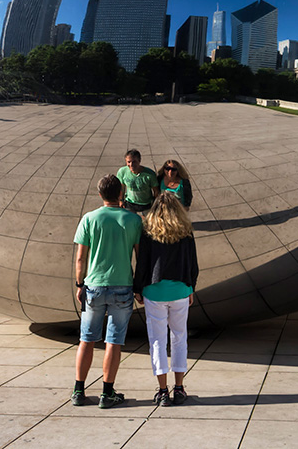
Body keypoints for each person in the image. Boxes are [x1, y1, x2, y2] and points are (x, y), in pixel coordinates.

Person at [72, 173, 144, 409]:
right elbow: (139, 257)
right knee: (114, 342)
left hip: (94, 286)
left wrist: (79, 284)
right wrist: (139, 287)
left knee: (87, 339)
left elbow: (81, 257)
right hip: (122, 286)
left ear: (100, 194)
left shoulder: (89, 218)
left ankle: (78, 390)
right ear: (121, 193)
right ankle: (107, 393)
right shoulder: (132, 220)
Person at [134, 191, 199, 407]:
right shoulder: (186, 232)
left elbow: (142, 263)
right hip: (180, 290)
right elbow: (193, 263)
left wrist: (138, 288)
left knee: (157, 341)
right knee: (180, 338)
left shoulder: (148, 232)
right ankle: (179, 388)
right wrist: (191, 287)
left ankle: (162, 391)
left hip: (155, 291)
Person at [117, 148, 160, 214]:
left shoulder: (150, 174)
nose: (131, 164)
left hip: (146, 204)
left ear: (139, 161)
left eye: (134, 162)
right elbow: (121, 188)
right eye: (129, 162)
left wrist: (155, 204)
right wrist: (121, 200)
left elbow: (156, 190)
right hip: (130, 203)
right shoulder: (122, 172)